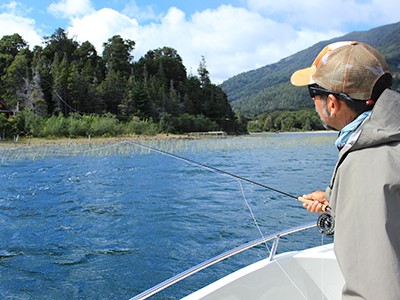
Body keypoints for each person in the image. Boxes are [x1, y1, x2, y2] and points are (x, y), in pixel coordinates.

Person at [291, 41, 400, 299]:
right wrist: (334, 198)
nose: (313, 103)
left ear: (332, 103)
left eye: (313, 93)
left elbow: (376, 286)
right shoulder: (388, 140)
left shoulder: (367, 161)